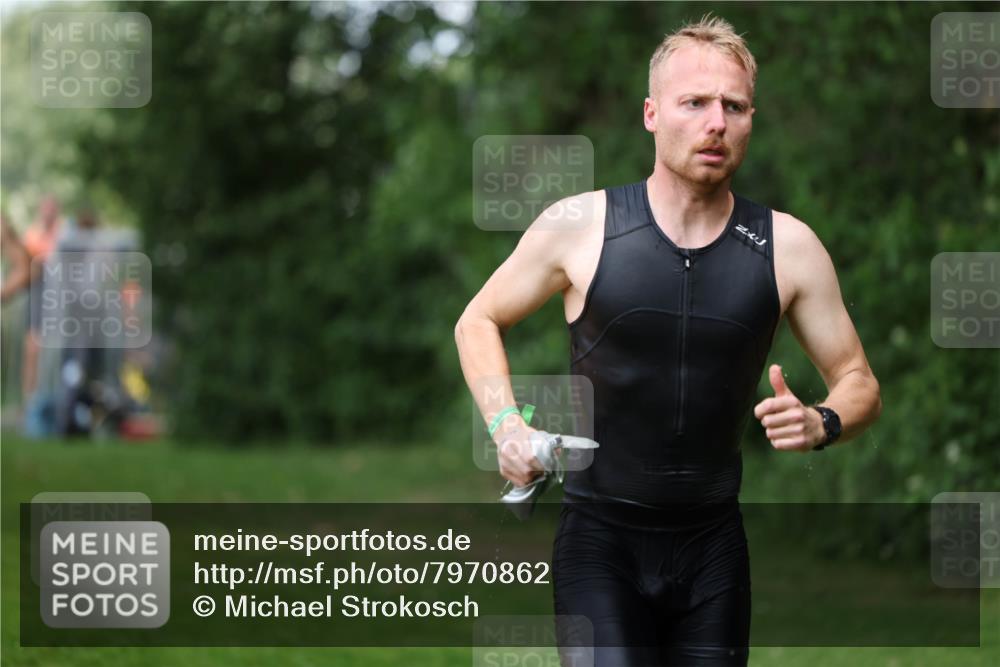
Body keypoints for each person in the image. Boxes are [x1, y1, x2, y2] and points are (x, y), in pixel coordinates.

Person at [454, 14, 882, 667]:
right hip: (599, 543)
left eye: (734, 106)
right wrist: (506, 426)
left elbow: (859, 382)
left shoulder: (788, 247)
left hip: (713, 549)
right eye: (695, 103)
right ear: (652, 114)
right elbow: (478, 320)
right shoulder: (580, 226)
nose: (717, 122)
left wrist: (821, 420)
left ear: (751, 119)